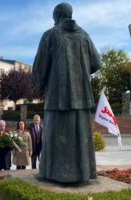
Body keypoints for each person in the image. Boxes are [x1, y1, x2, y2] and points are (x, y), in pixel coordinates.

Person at [33, 3, 100, 183]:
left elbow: (40, 67)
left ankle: (52, 174)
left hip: (57, 95)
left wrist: (39, 85)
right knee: (81, 135)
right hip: (82, 96)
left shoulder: (50, 35)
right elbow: (96, 63)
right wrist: (81, 71)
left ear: (58, 15)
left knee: (55, 135)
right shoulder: (84, 35)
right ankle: (83, 175)